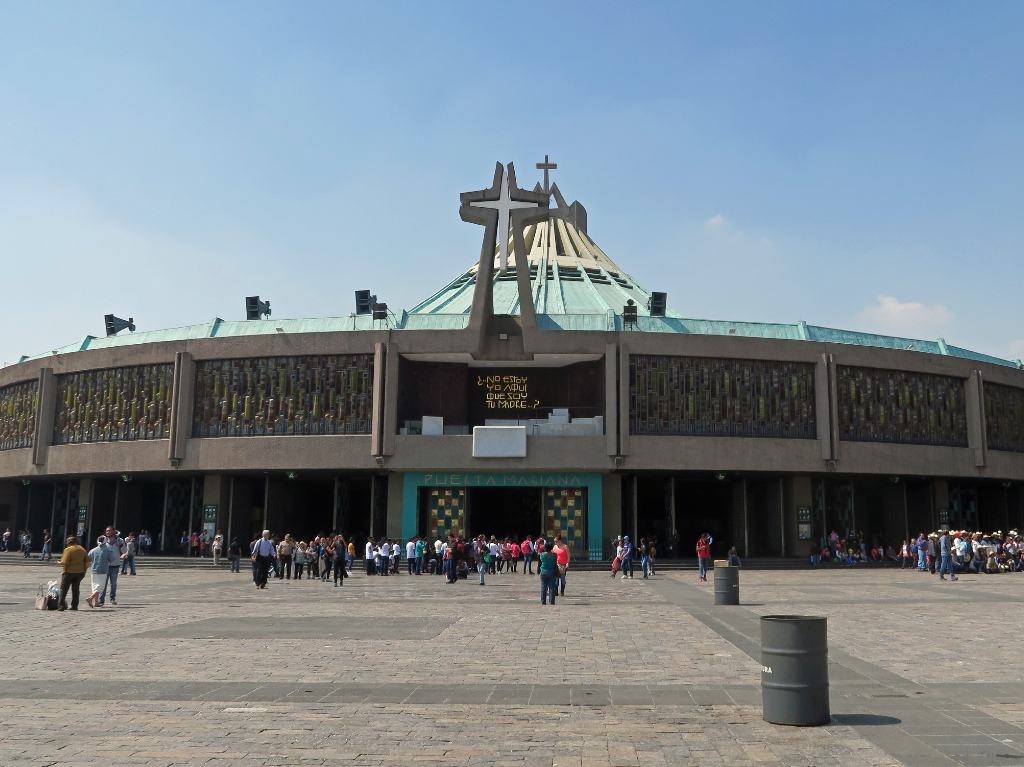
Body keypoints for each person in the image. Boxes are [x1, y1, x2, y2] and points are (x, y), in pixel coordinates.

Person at [57, 535, 88, 611]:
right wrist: (84, 571)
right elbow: (87, 562)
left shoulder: (68, 550)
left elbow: (64, 562)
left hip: (68, 572)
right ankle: (74, 606)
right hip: (80, 572)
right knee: (76, 589)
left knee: (63, 589)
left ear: (68, 542)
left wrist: (59, 562)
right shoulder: (82, 549)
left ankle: (61, 606)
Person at [98, 527, 125, 605]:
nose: (108, 532)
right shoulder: (103, 540)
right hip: (105, 565)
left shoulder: (119, 541)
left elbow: (124, 551)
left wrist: (122, 551)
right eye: (106, 531)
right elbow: (99, 550)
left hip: (115, 565)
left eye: (109, 531)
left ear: (114, 531)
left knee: (113, 583)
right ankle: (101, 599)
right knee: (103, 583)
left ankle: (112, 598)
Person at [87, 535, 109, 608]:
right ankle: (90, 598)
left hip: (94, 570)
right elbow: (111, 559)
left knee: (94, 587)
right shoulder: (108, 550)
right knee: (100, 587)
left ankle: (96, 603)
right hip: (103, 571)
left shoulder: (93, 550)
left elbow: (88, 558)